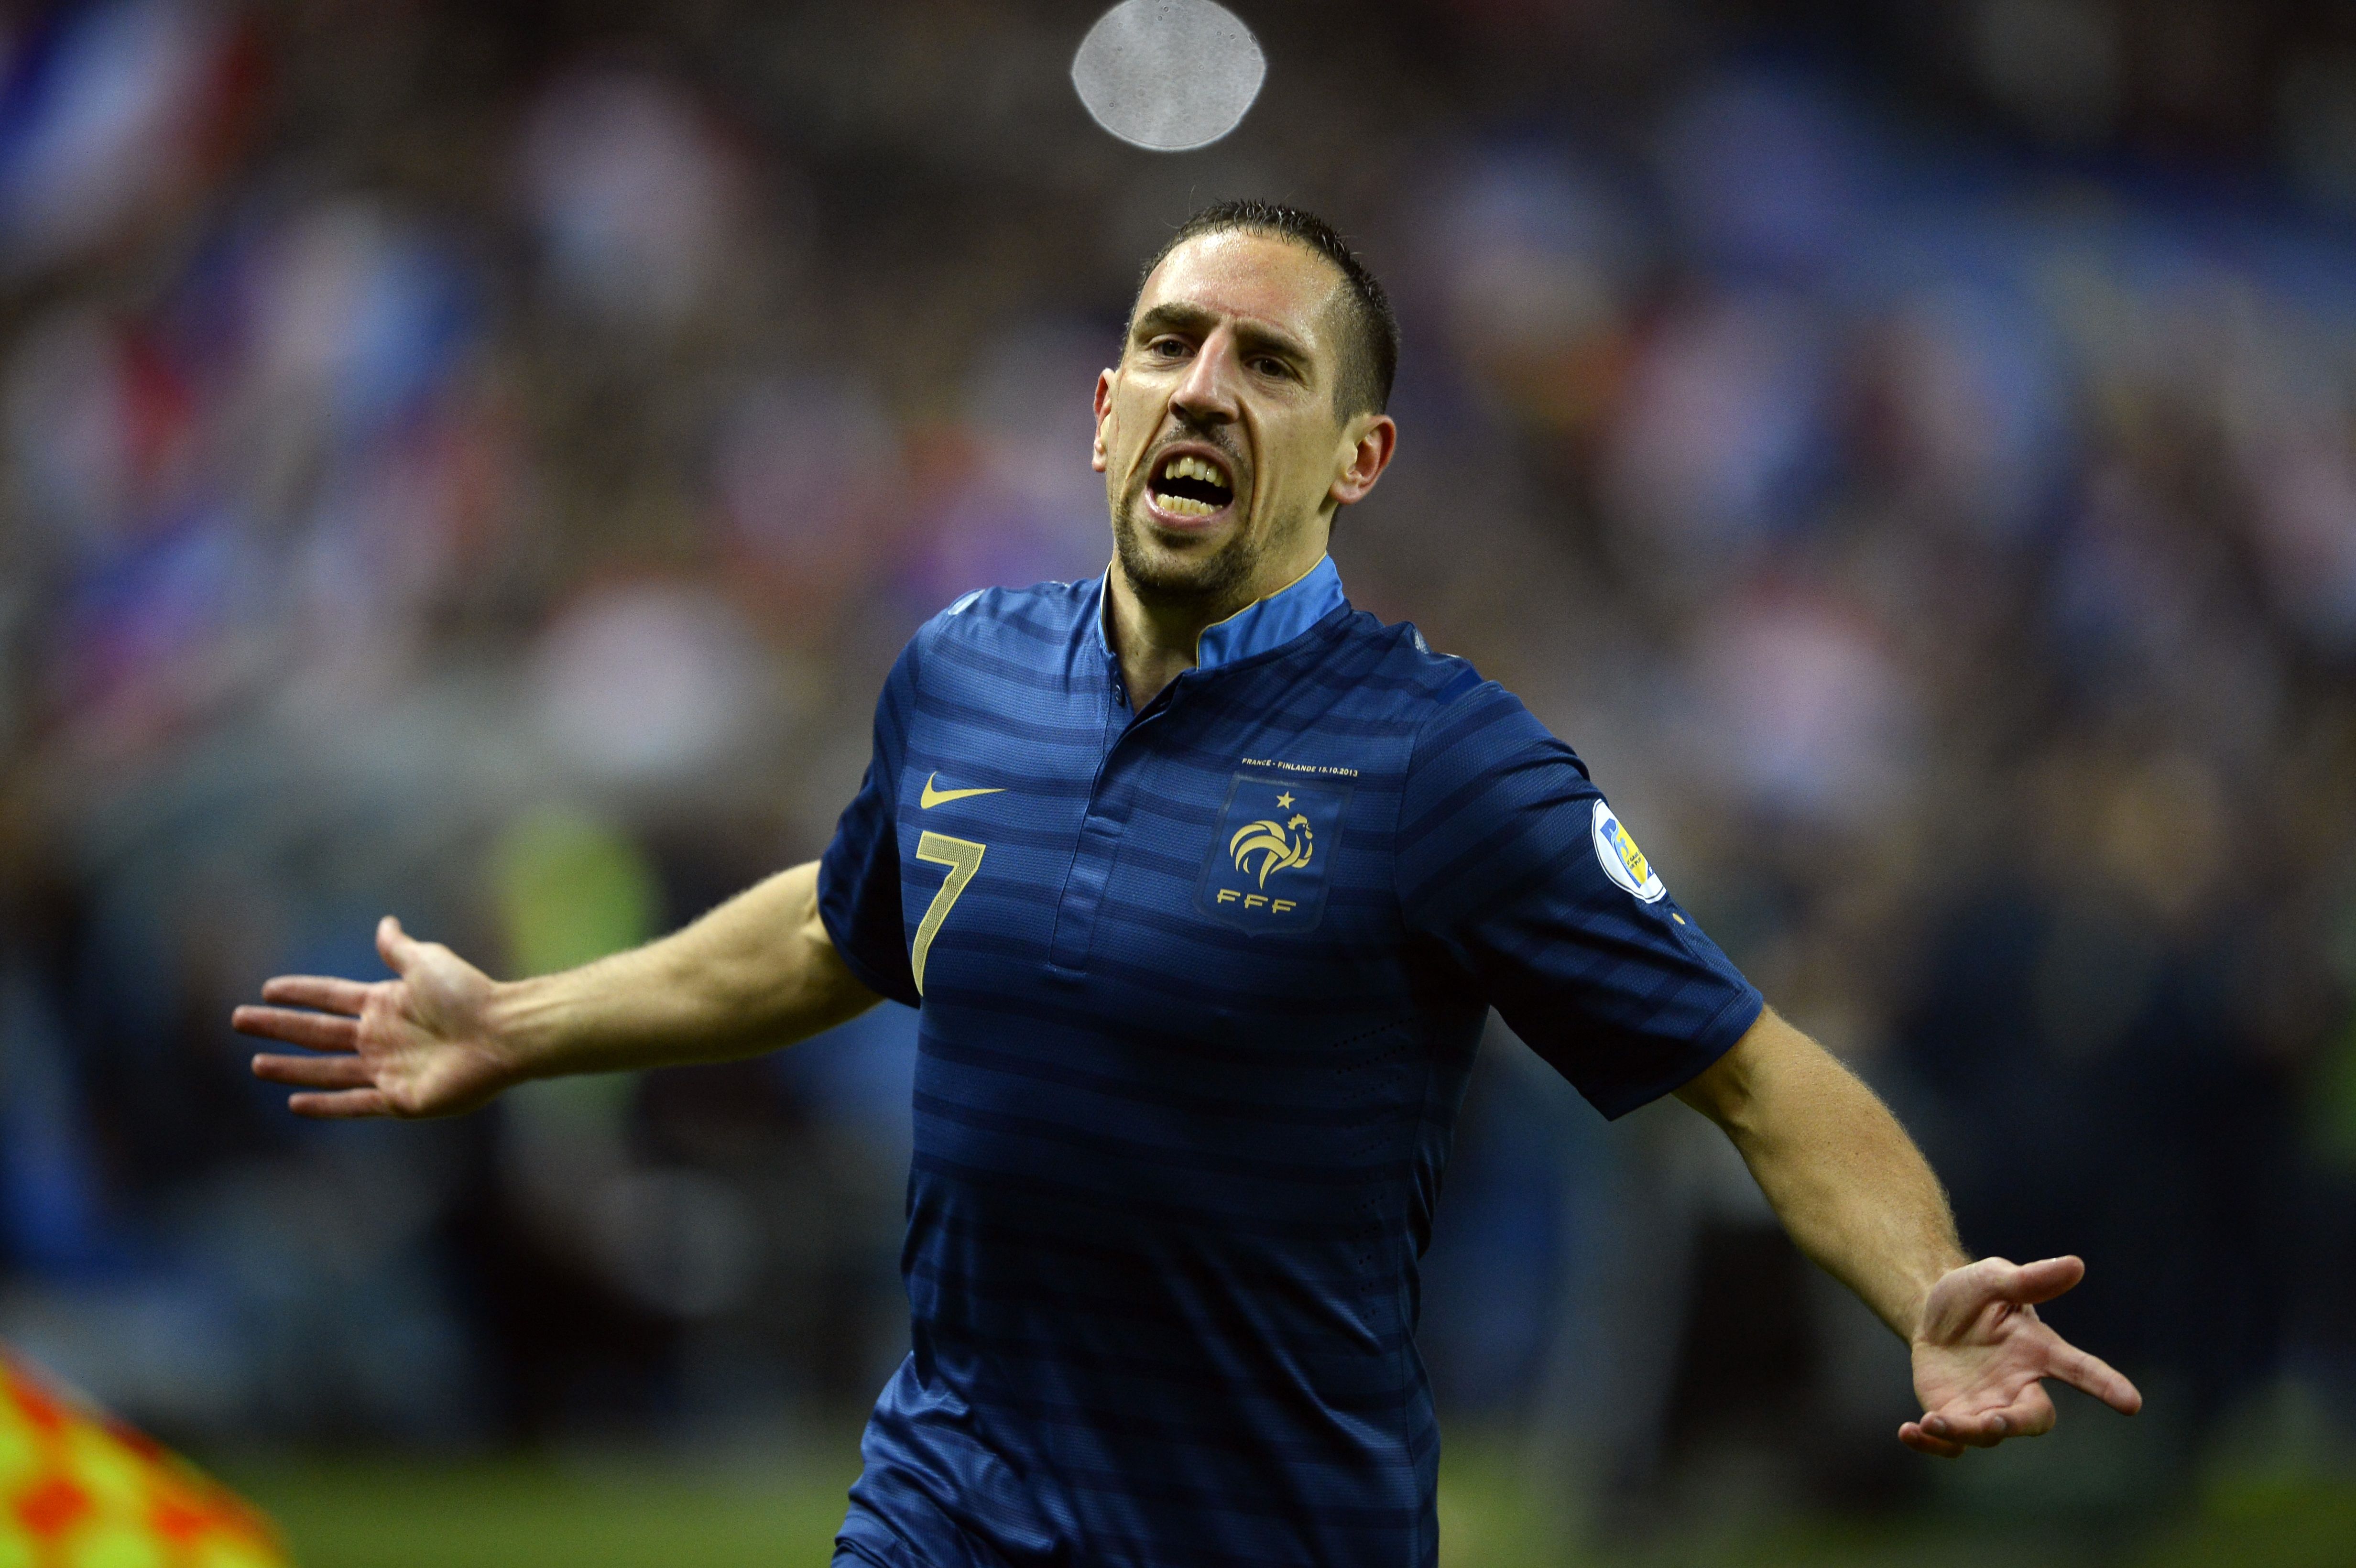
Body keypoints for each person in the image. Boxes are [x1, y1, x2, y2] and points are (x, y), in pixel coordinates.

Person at [233, 200, 2141, 1568]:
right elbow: (840, 924)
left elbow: (1751, 1069)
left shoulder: (1441, 762)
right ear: (1100, 410)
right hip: (946, 1499)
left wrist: (1922, 1281)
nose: (1205, 386)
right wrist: (521, 1024)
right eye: (1169, 345)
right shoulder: (961, 668)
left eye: (1269, 363)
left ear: (1357, 455)